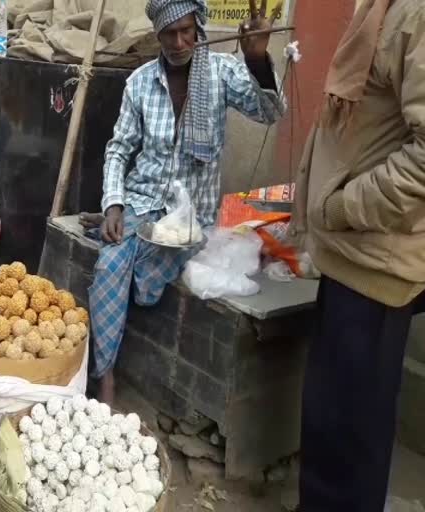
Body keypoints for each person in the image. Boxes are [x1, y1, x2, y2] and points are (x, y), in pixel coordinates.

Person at [89, 0, 286, 404]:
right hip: (143, 202)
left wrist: (258, 58)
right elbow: (118, 149)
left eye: (186, 31)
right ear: (156, 35)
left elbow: (270, 112)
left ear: (199, 26)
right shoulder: (141, 81)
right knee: (109, 262)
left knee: (145, 273)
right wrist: (113, 205)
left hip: (191, 220)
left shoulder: (221, 72)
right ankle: (105, 376)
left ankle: (139, 282)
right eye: (169, 33)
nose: (179, 42)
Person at [291, 1, 425, 510]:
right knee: (332, 429)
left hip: (377, 260)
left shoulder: (419, 13)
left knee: (347, 444)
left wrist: (343, 205)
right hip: (354, 255)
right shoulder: (384, 7)